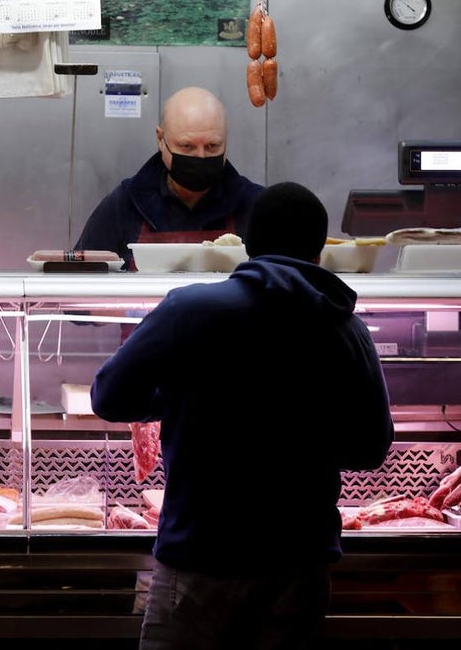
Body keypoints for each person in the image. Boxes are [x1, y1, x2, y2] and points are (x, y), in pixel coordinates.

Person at [90, 181, 394, 650]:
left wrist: (179, 396)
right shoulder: (345, 327)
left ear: (248, 244)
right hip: (298, 567)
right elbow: (371, 447)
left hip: (197, 561)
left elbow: (109, 397)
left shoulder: (188, 307)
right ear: (319, 249)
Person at [73, 86, 264, 270]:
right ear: (160, 139)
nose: (201, 156)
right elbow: (81, 276)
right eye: (187, 146)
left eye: (212, 146)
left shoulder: (257, 207)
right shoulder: (124, 204)